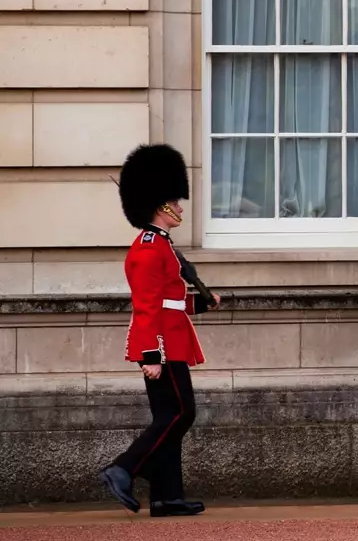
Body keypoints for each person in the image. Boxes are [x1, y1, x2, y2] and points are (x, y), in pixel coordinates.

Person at [99, 144, 220, 518]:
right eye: (175, 202)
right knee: (181, 414)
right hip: (162, 347)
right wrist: (149, 356)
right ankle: (125, 468)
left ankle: (167, 496)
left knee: (169, 417)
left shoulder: (163, 246)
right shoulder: (150, 248)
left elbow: (170, 300)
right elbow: (146, 306)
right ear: (160, 206)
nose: (180, 208)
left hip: (172, 340)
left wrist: (203, 302)